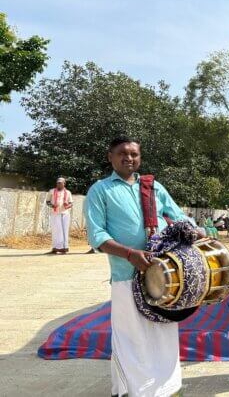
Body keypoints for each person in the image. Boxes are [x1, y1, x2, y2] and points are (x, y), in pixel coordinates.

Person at [85, 135, 192, 397]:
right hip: (125, 275)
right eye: (122, 153)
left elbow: (178, 217)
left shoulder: (153, 187)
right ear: (110, 157)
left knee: (163, 333)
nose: (129, 158)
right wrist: (131, 254)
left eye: (134, 154)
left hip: (164, 276)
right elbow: (97, 236)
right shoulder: (100, 190)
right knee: (131, 338)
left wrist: (195, 233)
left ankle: (166, 389)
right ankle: (131, 392)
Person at [45, 177, 73, 254]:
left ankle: (64, 248)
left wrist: (67, 206)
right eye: (58, 182)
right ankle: (55, 248)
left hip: (64, 214)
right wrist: (52, 206)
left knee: (63, 231)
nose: (59, 184)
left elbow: (71, 203)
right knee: (55, 231)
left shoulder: (68, 192)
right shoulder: (52, 191)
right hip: (54, 213)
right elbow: (47, 201)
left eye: (60, 183)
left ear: (64, 184)